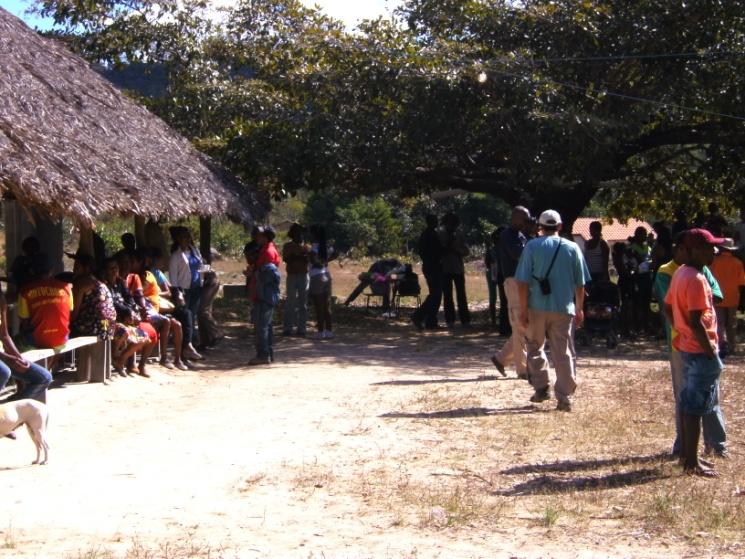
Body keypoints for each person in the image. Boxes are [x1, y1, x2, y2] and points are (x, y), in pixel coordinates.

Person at [655, 232, 726, 459]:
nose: (712, 252)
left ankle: (689, 456)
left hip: (686, 346)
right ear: (690, 250)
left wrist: (681, 329)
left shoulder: (681, 273)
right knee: (695, 408)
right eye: (706, 248)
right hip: (699, 350)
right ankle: (691, 462)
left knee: (688, 404)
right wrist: (709, 351)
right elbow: (696, 322)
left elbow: (667, 307)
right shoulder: (695, 278)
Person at [515, 210, 590, 411]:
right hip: (564, 308)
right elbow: (580, 284)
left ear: (540, 226)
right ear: (559, 226)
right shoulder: (573, 248)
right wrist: (580, 308)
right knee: (563, 352)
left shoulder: (531, 247)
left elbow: (522, 282)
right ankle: (564, 397)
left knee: (534, 346)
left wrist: (523, 310)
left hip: (536, 307)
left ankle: (541, 387)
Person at [491, 206, 532, 378]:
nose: (527, 223)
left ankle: (501, 359)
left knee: (522, 326)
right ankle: (522, 369)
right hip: (514, 282)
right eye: (525, 219)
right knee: (521, 325)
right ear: (515, 218)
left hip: (522, 282)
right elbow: (519, 254)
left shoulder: (521, 235)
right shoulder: (507, 235)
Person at [0, 282, 52, 406]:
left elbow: (5, 335)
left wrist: (19, 358)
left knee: (43, 377)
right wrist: (7, 357)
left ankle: (12, 410)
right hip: (3, 357)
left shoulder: (1, 301)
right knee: (3, 372)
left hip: (4, 356)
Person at [17, 254, 73, 349]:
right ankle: (49, 364)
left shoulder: (25, 291)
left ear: (31, 271)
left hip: (38, 340)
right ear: (52, 269)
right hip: (63, 338)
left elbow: (24, 322)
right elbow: (69, 311)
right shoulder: (66, 287)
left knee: (16, 341)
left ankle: (36, 364)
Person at [249, 227, 281, 365]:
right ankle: (268, 353)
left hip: (264, 294)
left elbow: (266, 276)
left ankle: (263, 355)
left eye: (260, 235)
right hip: (265, 293)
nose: (257, 237)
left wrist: (253, 273)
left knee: (261, 325)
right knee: (266, 325)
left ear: (266, 237)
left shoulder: (268, 252)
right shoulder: (267, 249)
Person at [709, 238, 745, 356]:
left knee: (719, 323)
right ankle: (732, 347)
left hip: (717, 296)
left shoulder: (714, 262)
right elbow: (741, 282)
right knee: (732, 324)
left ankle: (721, 346)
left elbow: (709, 279)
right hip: (733, 297)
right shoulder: (738, 263)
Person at [169, 226, 204, 344]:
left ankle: (193, 342)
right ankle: (185, 343)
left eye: (188, 237)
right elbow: (173, 277)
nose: (187, 239)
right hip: (184, 290)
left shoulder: (195, 251)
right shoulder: (175, 256)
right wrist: (177, 292)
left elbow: (201, 267)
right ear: (178, 239)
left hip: (197, 288)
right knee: (185, 317)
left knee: (193, 315)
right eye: (184, 237)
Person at [411, 215, 444, 330]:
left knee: (435, 294)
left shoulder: (427, 234)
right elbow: (437, 250)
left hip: (430, 266)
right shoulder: (431, 234)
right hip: (433, 266)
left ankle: (429, 320)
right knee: (436, 294)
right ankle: (420, 316)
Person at [439, 213, 470, 328]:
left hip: (458, 268)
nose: (451, 225)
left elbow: (466, 251)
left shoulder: (459, 235)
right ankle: (449, 320)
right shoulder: (441, 234)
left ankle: (465, 319)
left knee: (461, 295)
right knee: (447, 296)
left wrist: (457, 251)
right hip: (445, 269)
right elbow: (439, 251)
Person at [281, 223, 310, 337]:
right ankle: (287, 328)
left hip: (303, 275)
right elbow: (288, 259)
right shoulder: (288, 246)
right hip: (292, 275)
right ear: (292, 234)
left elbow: (307, 259)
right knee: (290, 302)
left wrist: (297, 256)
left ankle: (301, 329)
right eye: (297, 233)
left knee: (303, 303)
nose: (299, 235)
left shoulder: (306, 246)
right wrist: (300, 256)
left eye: (300, 233)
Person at [309, 225, 336, 339]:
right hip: (327, 275)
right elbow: (336, 253)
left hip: (317, 277)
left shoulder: (314, 248)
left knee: (319, 306)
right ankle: (329, 331)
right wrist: (326, 261)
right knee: (326, 305)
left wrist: (319, 263)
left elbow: (314, 261)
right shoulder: (326, 246)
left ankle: (320, 332)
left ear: (314, 235)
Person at [628, 226, 653, 333]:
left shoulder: (647, 246)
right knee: (637, 302)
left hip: (647, 276)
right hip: (637, 277)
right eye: (643, 234)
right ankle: (637, 326)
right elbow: (632, 262)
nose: (645, 236)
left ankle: (647, 326)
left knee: (647, 302)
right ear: (637, 235)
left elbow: (650, 258)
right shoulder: (632, 248)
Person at [484, 229, 501, 329]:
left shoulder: (491, 250)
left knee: (493, 296)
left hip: (492, 272)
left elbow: (487, 263)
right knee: (494, 296)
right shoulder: (494, 250)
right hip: (495, 272)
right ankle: (494, 320)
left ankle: (494, 320)